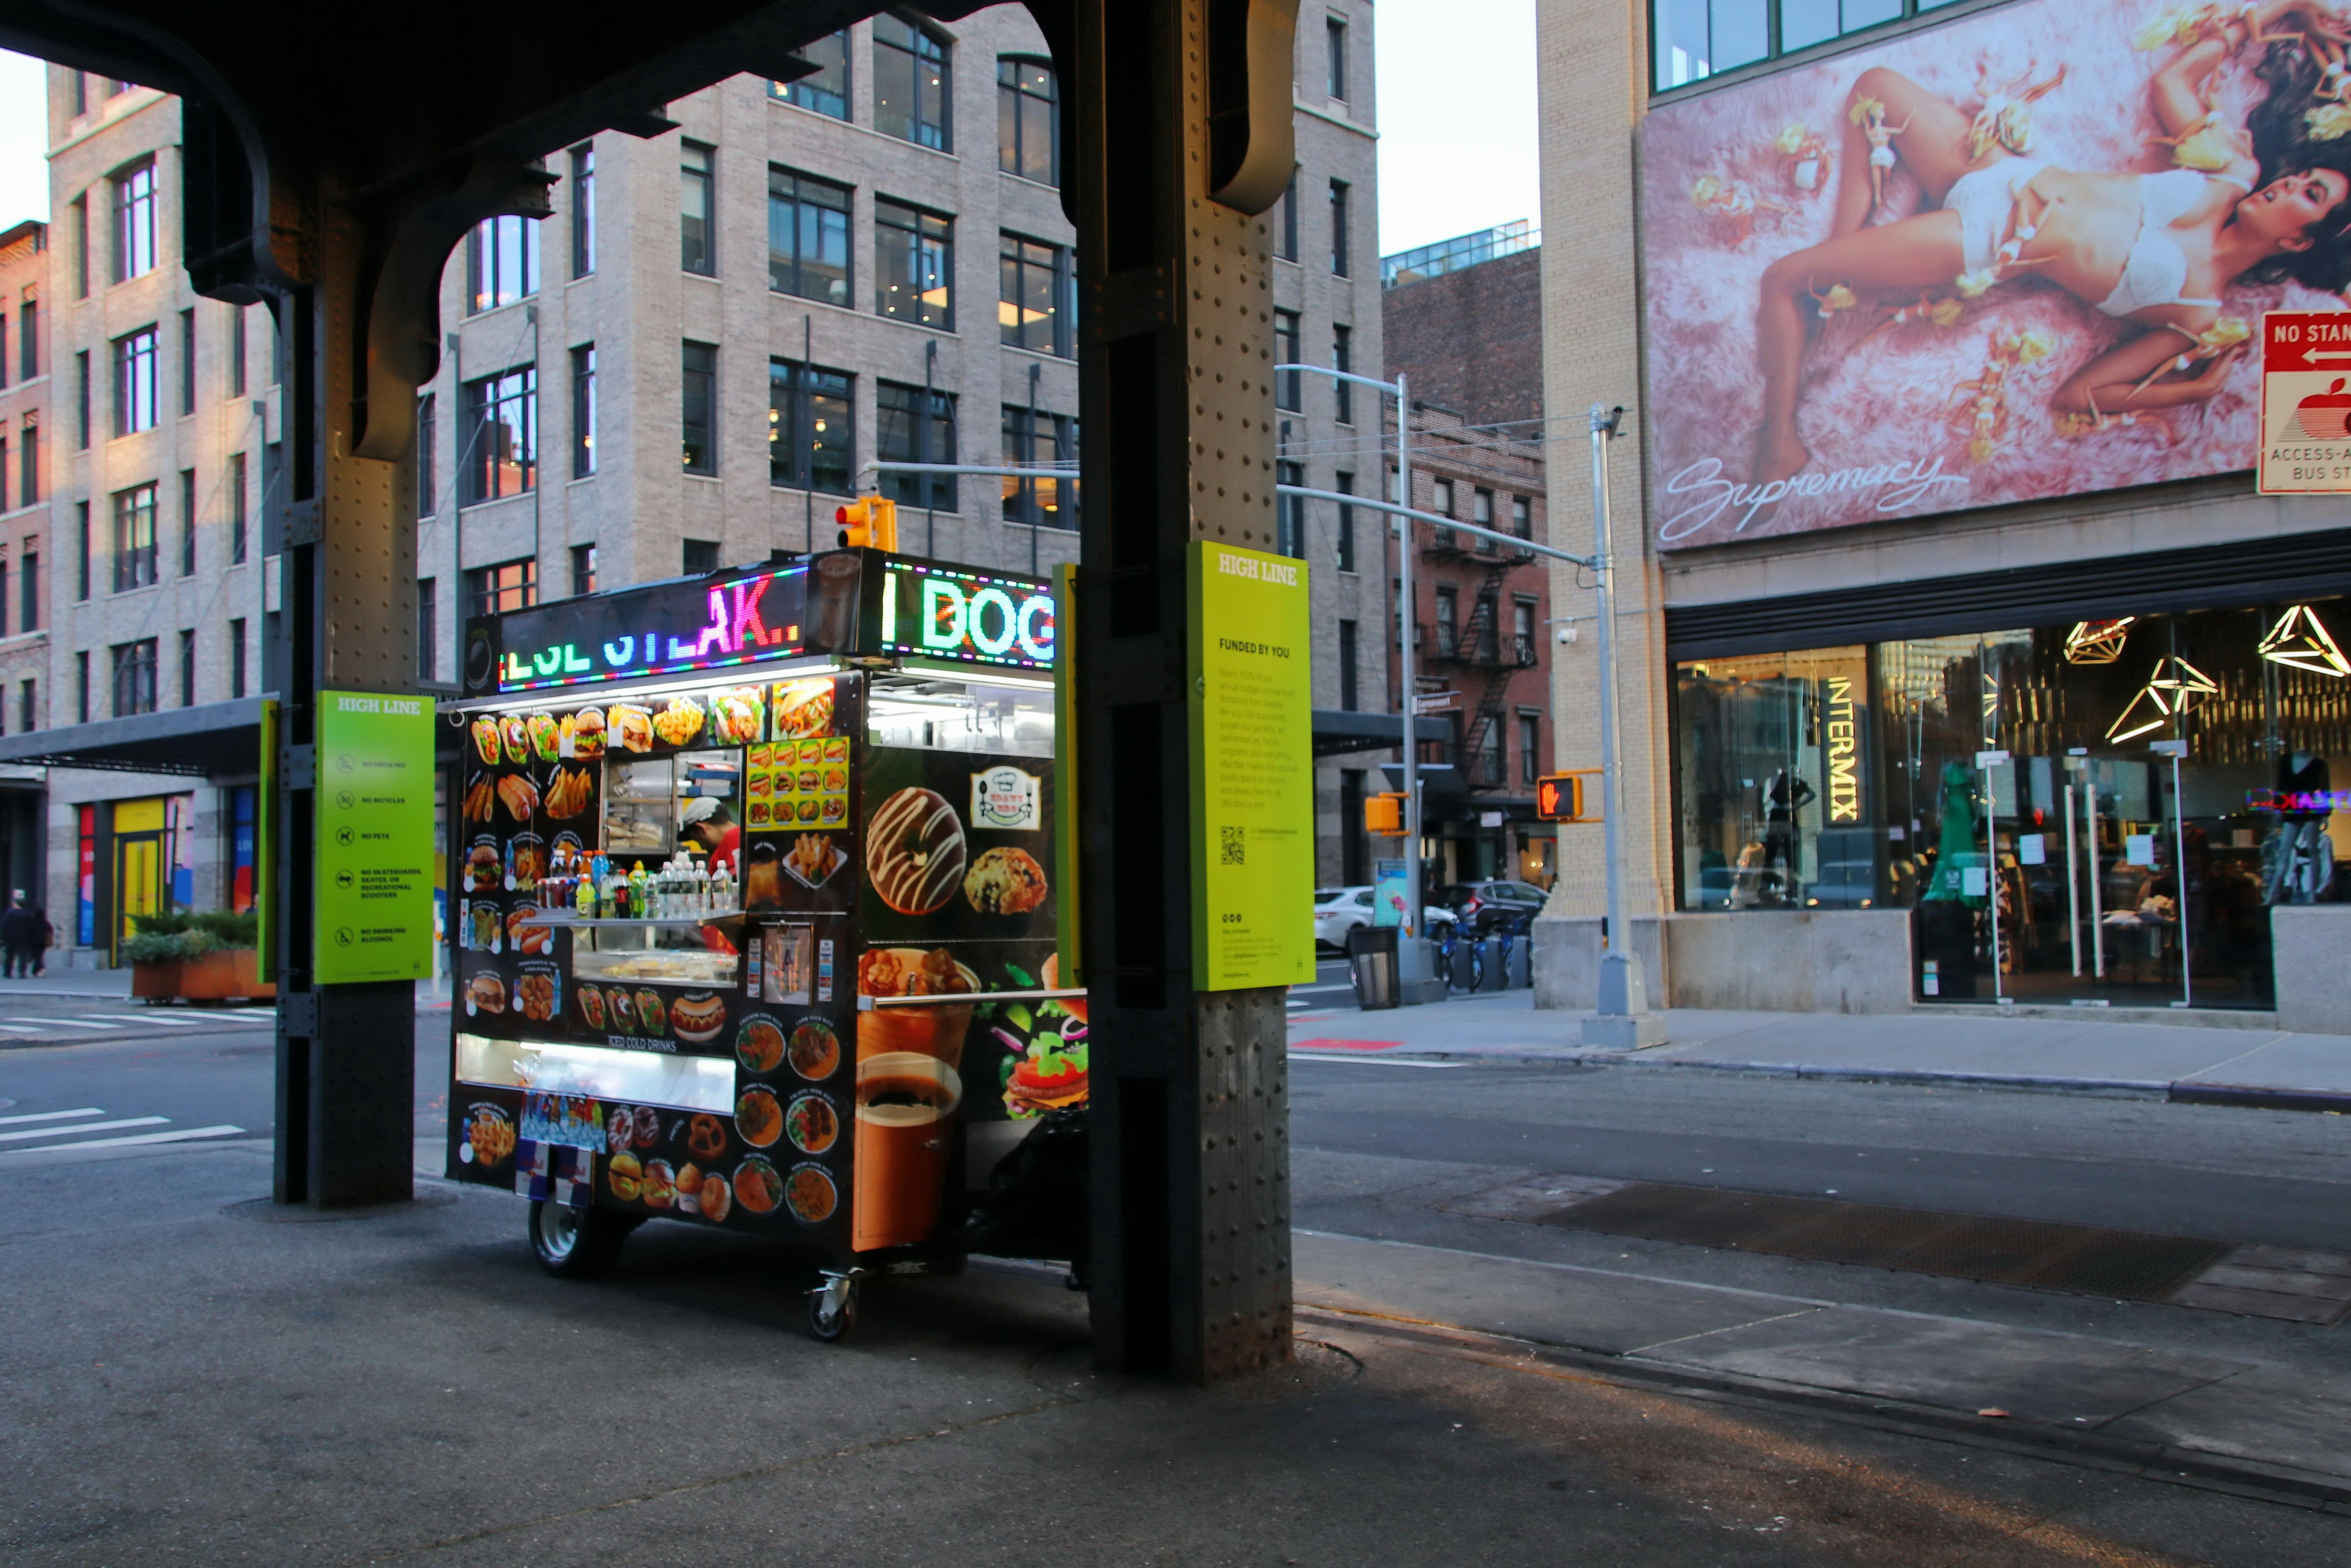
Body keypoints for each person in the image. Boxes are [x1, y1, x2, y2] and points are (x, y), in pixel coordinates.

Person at [1755, 0, 2351, 486]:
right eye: (2303, 176)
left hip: (1988, 239)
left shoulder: (2197, 313)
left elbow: (2078, 393)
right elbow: (2174, 77)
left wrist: (2191, 389)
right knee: (1875, 85)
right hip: (1998, 167)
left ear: (2299, 242)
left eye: (2311, 195)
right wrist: (2287, 9)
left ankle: (1779, 442)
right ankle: (1843, 253)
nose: (2292, 183)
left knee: (1780, 279)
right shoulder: (2230, 172)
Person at [678, 796, 740, 874]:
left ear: (702, 829)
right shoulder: (741, 838)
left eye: (699, 840)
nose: (702, 847)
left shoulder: (734, 839)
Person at [0, 895, 30, 978]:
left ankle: (7, 973)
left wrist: (2, 937)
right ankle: (22, 973)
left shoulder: (10, 913)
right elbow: (30, 927)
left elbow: (5, 926)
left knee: (10, 955)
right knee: (23, 955)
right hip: (24, 937)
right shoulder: (27, 914)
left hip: (11, 937)